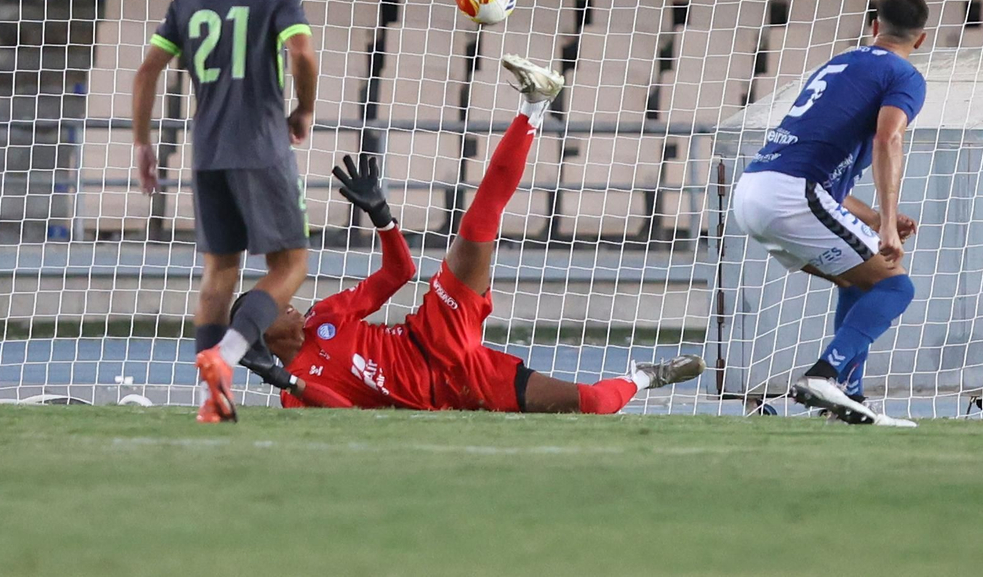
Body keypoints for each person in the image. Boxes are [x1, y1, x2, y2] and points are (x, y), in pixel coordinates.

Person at [240, 54, 706, 414]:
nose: (290, 302)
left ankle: (534, 107)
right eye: (277, 307)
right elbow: (345, 413)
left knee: (478, 222)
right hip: (462, 383)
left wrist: (383, 218)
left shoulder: (328, 315)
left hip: (434, 333)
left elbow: (401, 271)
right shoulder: (295, 391)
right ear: (262, 334)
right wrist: (284, 381)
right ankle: (645, 377)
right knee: (593, 405)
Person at [133, 0, 319, 423]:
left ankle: (209, 401)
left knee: (220, 275)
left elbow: (147, 71)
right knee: (291, 264)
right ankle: (229, 355)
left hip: (208, 149)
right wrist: (303, 110)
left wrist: (144, 143)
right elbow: (302, 52)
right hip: (261, 145)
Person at [730, 0, 928, 427]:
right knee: (896, 288)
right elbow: (887, 138)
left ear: (875, 26)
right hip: (791, 195)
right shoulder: (904, 75)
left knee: (857, 282)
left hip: (754, 189)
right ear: (922, 39)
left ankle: (845, 401)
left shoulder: (837, 64)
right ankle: (825, 376)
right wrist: (889, 226)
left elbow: (822, 173)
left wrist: (875, 219)